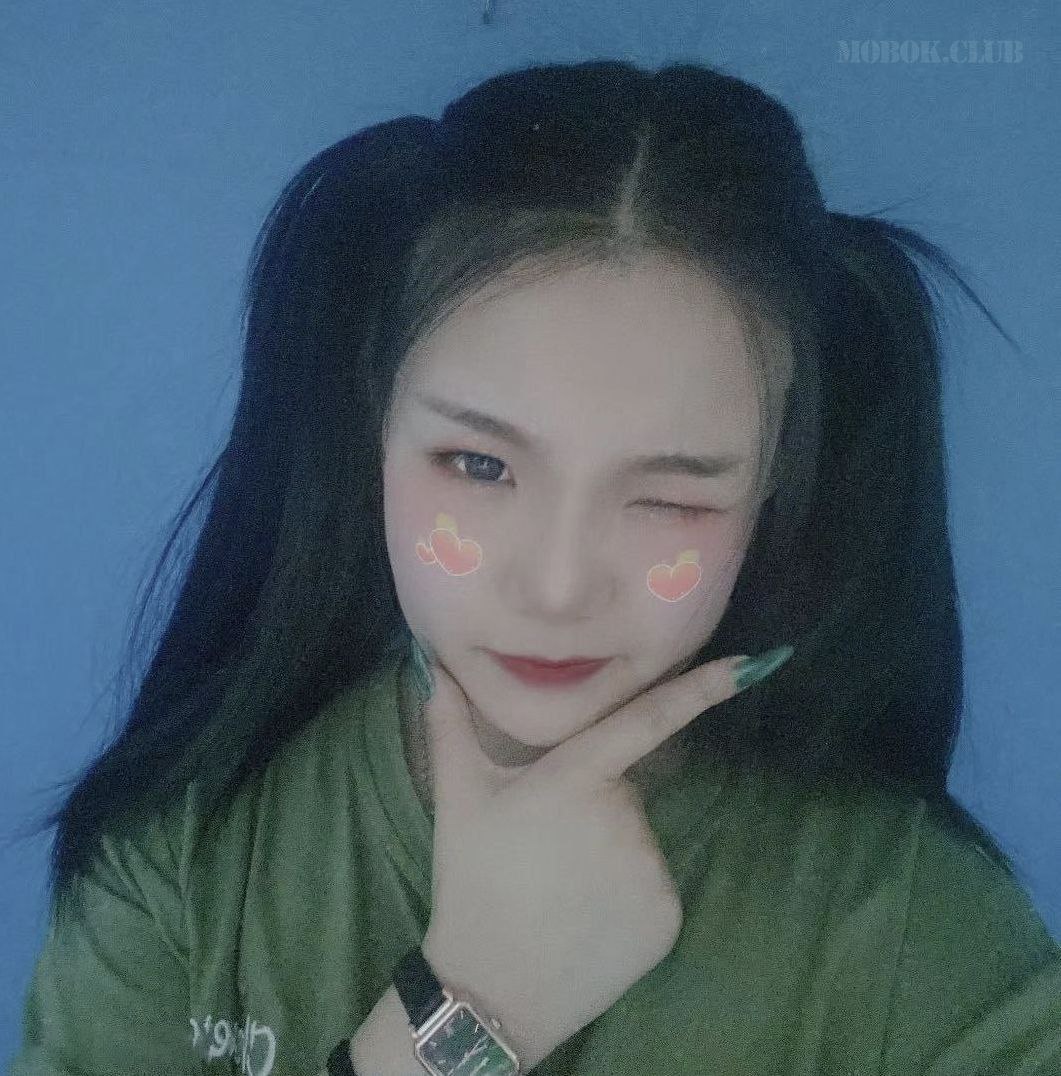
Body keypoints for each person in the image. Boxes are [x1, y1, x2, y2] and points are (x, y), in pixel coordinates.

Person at [8, 59, 1061, 1076]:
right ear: (372, 428)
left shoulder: (917, 927)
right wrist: (466, 1011)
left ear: (775, 482)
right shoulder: (183, 857)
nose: (556, 590)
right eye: (478, 464)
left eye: (671, 496)